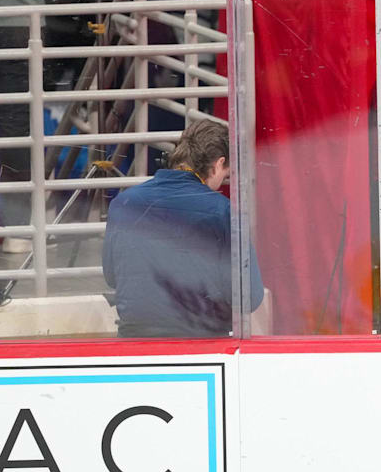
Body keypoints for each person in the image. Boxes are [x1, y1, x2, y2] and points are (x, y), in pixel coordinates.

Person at [103, 120, 263, 337]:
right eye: (225, 175)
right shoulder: (225, 212)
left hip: (135, 340)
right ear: (218, 163)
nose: (221, 183)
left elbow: (112, 277)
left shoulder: (123, 203)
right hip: (203, 343)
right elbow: (250, 297)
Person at [0, 0, 43, 254]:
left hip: (15, 22)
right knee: (15, 123)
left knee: (14, 126)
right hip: (21, 20)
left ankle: (17, 228)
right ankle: (17, 228)